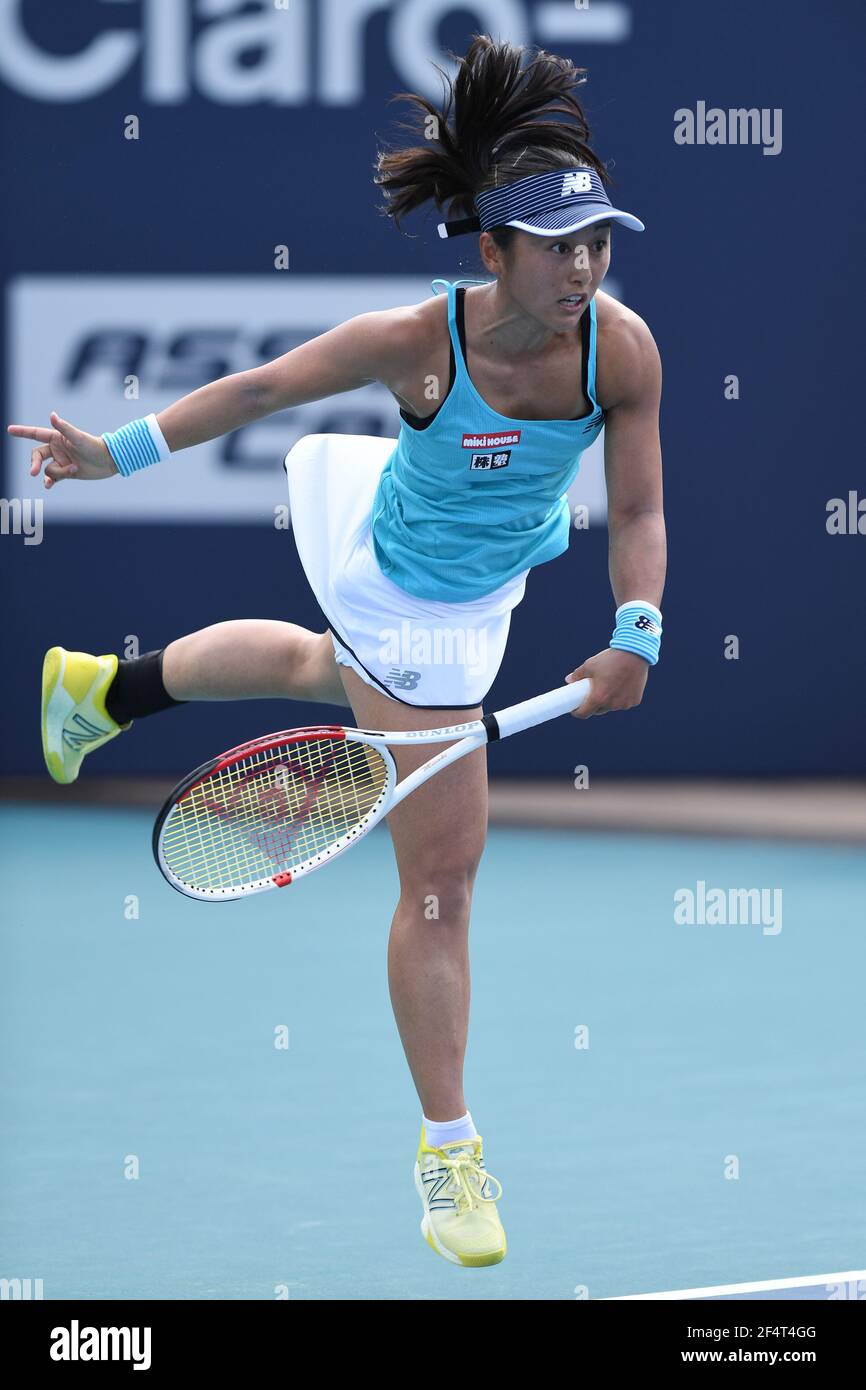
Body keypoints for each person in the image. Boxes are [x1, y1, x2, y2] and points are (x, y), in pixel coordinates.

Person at [8, 35, 666, 1269]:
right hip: (397, 582)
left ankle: (105, 687)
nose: (582, 267)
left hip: (486, 593)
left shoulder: (618, 349)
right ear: (491, 253)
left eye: (597, 241)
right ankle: (447, 1152)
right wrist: (115, 453)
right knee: (443, 884)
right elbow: (258, 391)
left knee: (317, 669)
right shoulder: (415, 341)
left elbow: (635, 513)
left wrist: (637, 628)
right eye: (556, 245)